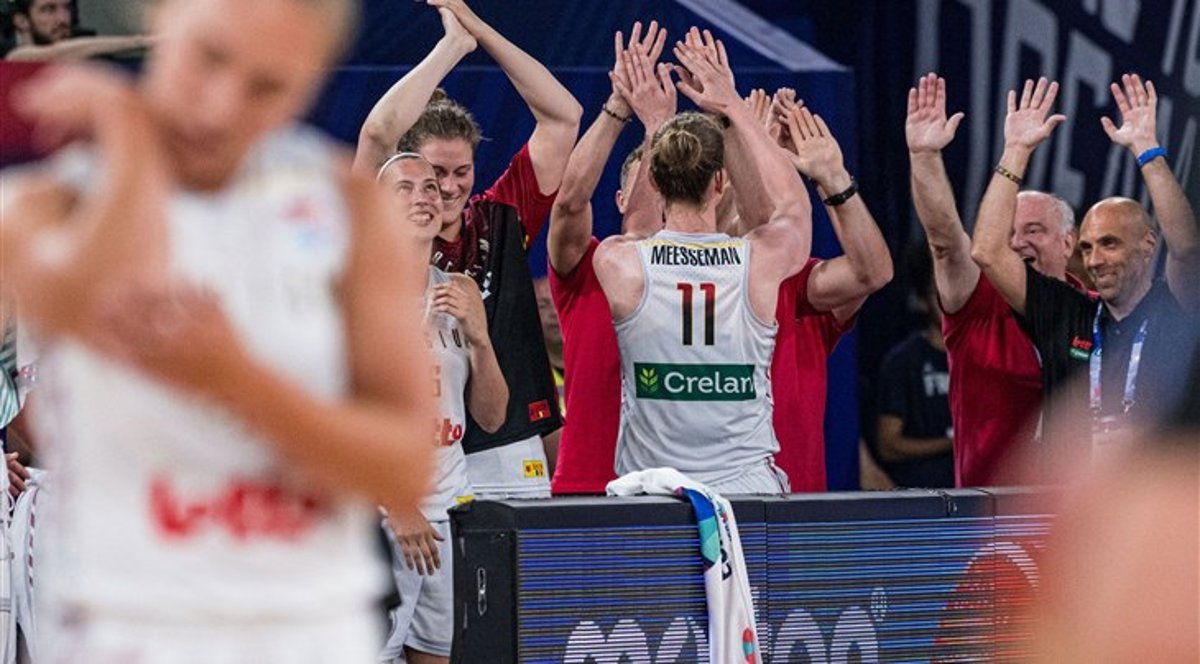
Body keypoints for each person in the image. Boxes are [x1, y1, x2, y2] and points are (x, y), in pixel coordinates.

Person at [0, 0, 437, 660]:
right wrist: (132, 136)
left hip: (306, 626)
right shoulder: (51, 200)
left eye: (268, 87)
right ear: (161, 20)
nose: (221, 107)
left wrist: (237, 380)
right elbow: (71, 302)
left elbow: (405, 466)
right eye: (208, 57)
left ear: (311, 84)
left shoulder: (349, 211)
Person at [355, 0, 581, 499]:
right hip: (417, 450)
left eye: (462, 172)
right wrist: (451, 48)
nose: (450, 187)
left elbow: (563, 117)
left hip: (506, 447)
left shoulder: (501, 216)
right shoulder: (386, 232)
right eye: (436, 173)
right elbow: (378, 135)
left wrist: (478, 28)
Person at [594, 31, 813, 493]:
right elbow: (794, 209)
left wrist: (655, 123)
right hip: (747, 490)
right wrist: (731, 106)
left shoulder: (620, 262)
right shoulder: (758, 260)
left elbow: (637, 226)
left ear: (654, 181)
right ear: (719, 184)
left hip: (652, 493)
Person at [971, 74, 1199, 459]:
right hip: (1074, 493)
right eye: (1087, 247)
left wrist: (1147, 151)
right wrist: (1016, 151)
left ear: (1148, 245)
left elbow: (1188, 249)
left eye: (1110, 244)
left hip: (1162, 491)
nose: (1094, 261)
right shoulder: (1066, 312)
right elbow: (986, 251)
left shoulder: (1177, 307)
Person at [906, 73, 1084, 486]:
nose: (1018, 243)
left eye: (1034, 230)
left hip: (1079, 514)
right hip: (989, 513)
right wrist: (925, 157)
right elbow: (945, 241)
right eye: (1008, 233)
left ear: (1068, 242)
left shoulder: (1094, 312)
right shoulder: (976, 302)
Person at [375, 153, 506, 664]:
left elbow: (491, 417)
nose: (424, 197)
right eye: (405, 188)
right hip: (383, 515)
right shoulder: (355, 293)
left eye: (430, 187)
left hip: (450, 508)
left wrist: (479, 340)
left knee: (438, 655)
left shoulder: (462, 290)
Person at [546, 21, 670, 495]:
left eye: (666, 183)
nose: (656, 195)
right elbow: (569, 203)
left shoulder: (709, 270)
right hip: (588, 482)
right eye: (647, 182)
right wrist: (621, 107)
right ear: (619, 199)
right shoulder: (589, 264)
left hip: (675, 486)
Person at [755, 89, 892, 492]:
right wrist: (746, 146)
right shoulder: (684, 280)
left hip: (796, 508)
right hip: (707, 505)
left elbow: (872, 272)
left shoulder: (798, 287)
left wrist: (831, 178)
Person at [874, 246, 954, 488]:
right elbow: (888, 444)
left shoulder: (986, 357)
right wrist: (953, 442)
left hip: (981, 492)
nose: (949, 299)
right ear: (922, 300)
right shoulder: (903, 362)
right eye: (939, 292)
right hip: (923, 494)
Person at [3, 0, 149, 61]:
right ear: (22, 21)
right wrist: (142, 41)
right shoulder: (11, 55)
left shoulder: (90, 59)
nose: (63, 19)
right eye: (49, 9)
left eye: (67, 8)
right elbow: (55, 53)